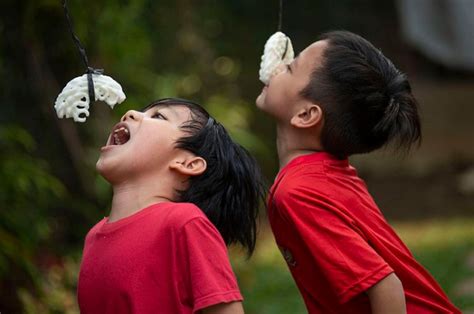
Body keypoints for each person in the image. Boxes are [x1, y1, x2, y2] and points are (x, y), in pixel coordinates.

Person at [256, 30, 460, 314]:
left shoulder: (298, 193)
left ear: (306, 115)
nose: (277, 69)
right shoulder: (323, 175)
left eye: (290, 68)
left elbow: (387, 286)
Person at [78, 98, 265, 314]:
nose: (129, 113)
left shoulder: (184, 223)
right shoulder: (93, 237)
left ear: (187, 163)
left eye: (159, 116)